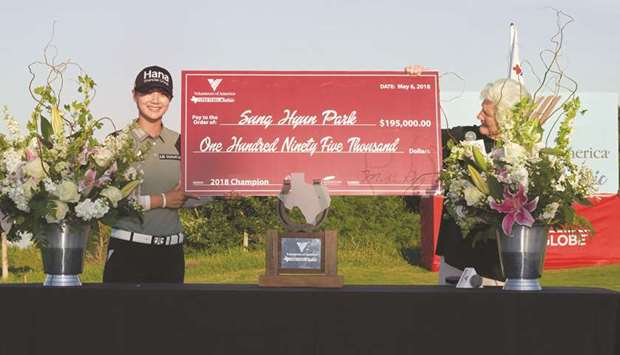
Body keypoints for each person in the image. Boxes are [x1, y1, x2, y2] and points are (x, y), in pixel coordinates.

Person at [405, 66, 529, 285]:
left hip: (498, 265)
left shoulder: (527, 152)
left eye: (486, 113)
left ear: (506, 117)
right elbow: (421, 133)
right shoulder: (465, 137)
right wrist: (414, 89)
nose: (478, 115)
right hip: (455, 257)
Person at [103, 65, 200, 283]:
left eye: (163, 93)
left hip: (171, 254)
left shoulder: (181, 141)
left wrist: (227, 190)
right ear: (135, 95)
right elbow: (106, 202)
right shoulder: (117, 142)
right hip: (128, 251)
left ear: (171, 99)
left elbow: (195, 193)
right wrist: (163, 200)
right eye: (148, 91)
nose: (156, 99)